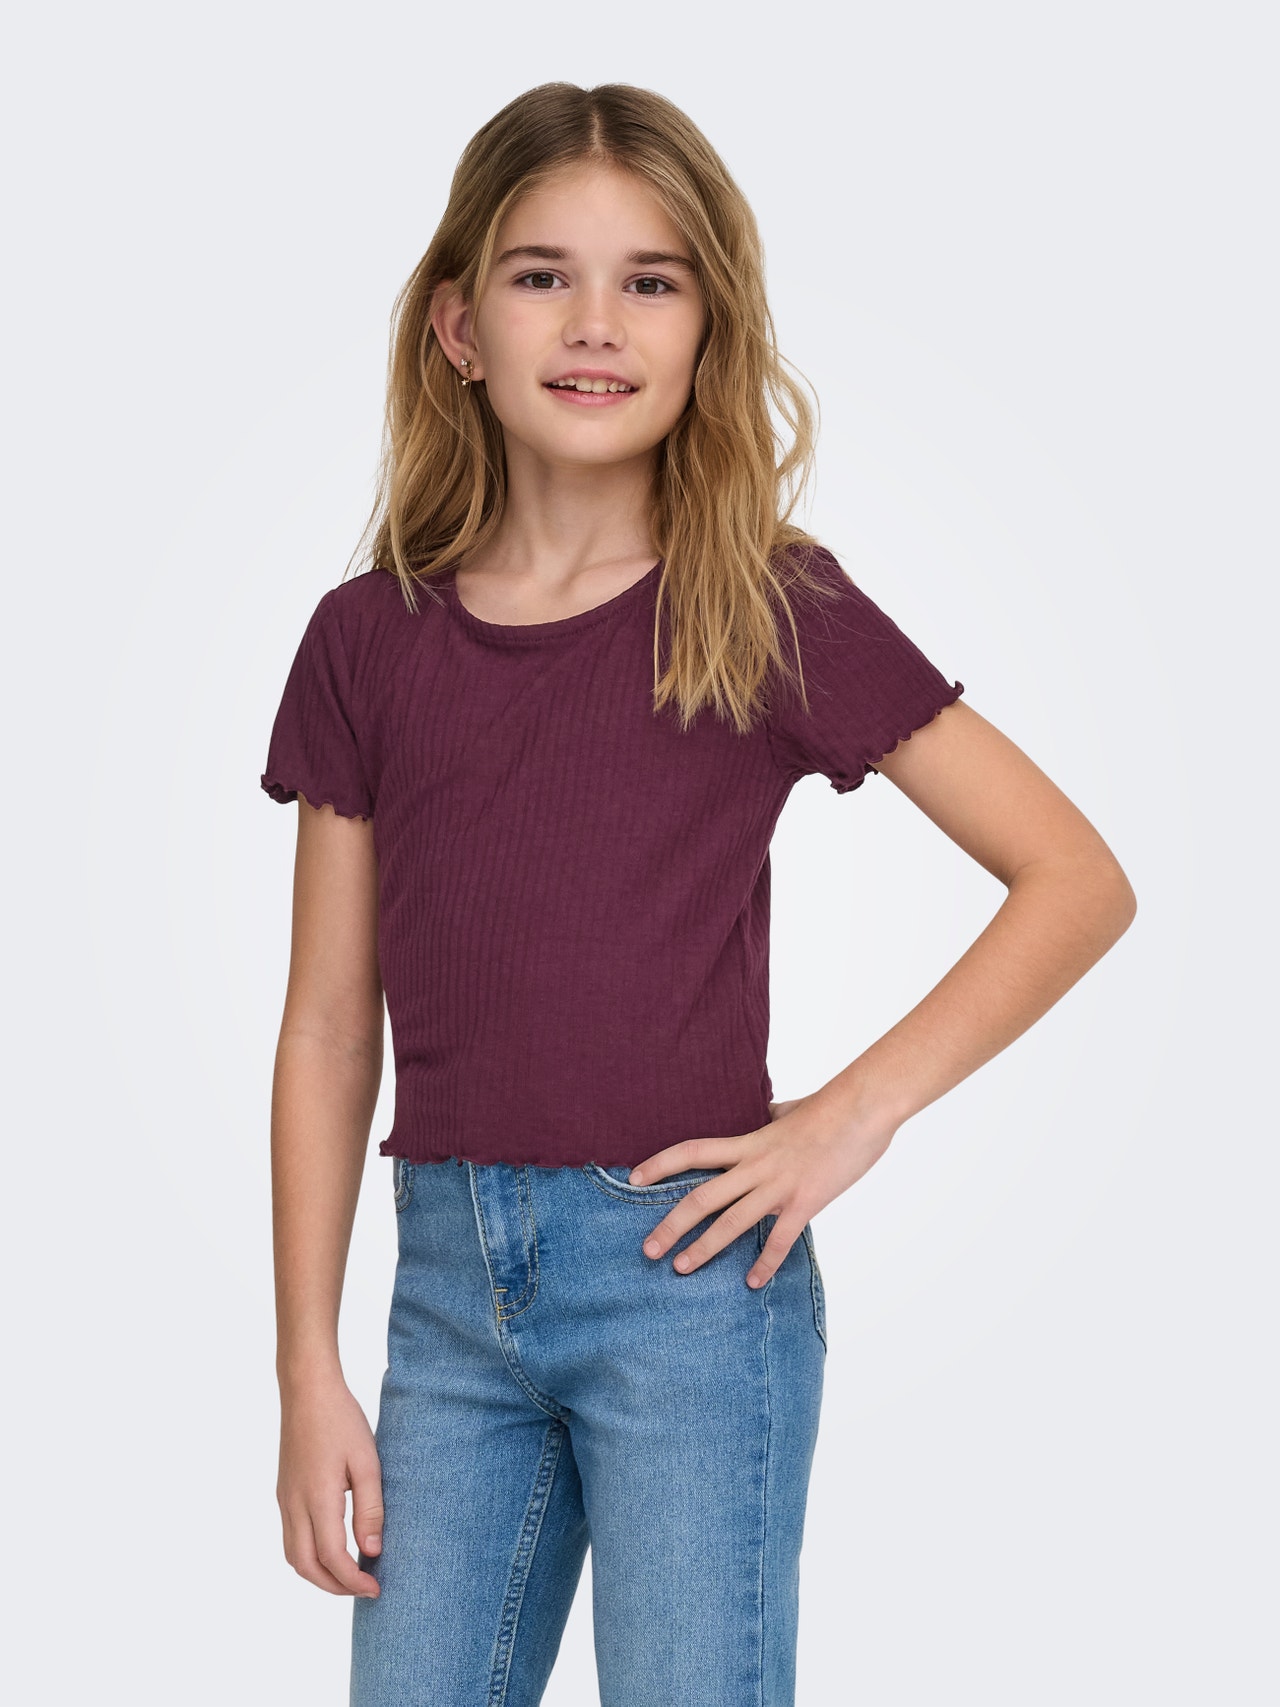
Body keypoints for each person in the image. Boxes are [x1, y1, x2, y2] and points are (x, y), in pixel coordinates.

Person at [258, 81, 1136, 1707]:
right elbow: (325, 1024)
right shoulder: (367, 639)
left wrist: (848, 1119)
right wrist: (308, 1365)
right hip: (446, 1303)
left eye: (650, 281)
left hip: (687, 1291)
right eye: (543, 275)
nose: (596, 322)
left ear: (707, 328)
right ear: (457, 326)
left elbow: (1074, 879)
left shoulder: (765, 606)